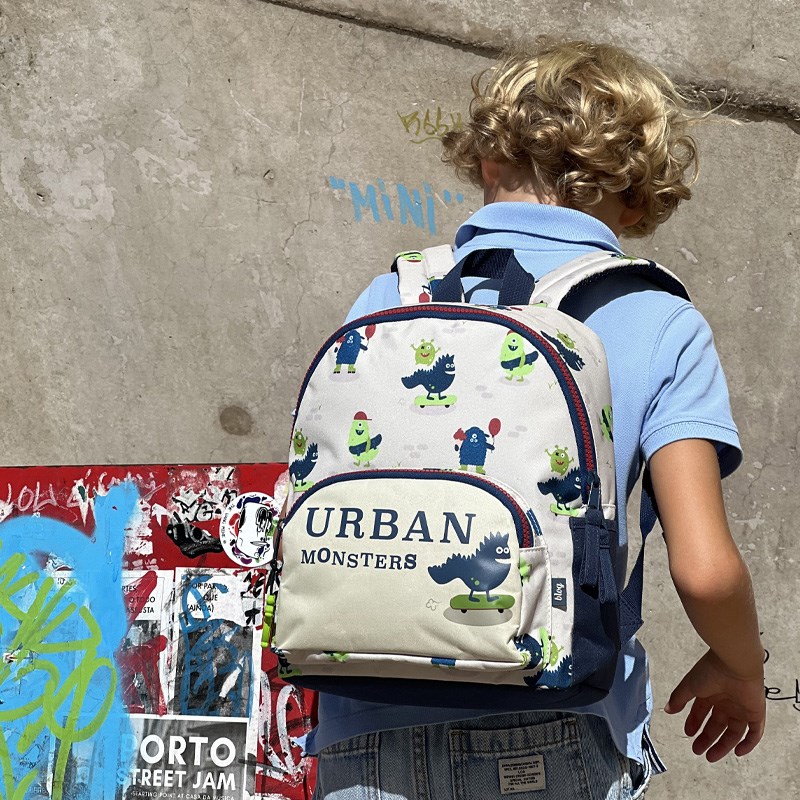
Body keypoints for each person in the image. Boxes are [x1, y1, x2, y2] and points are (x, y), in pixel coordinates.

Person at [305, 38, 766, 799]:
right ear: (637, 198)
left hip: (360, 722)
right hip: (553, 723)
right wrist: (742, 665)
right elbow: (705, 569)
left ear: (487, 162)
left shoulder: (389, 297)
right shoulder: (656, 319)